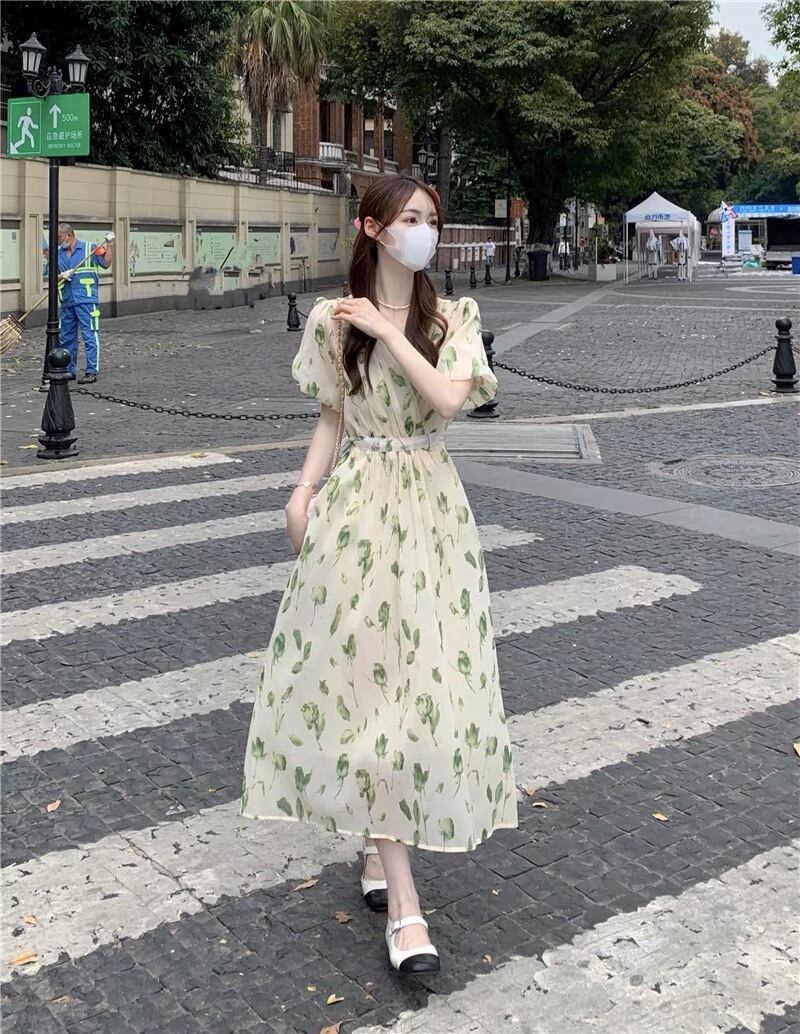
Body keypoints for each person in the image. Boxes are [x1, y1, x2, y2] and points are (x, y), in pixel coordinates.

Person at [239, 174, 518, 974]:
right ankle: (404, 905)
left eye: (431, 218)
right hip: (358, 513)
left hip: (432, 513)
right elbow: (331, 417)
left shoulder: (453, 318)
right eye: (410, 217)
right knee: (369, 690)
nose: (424, 230)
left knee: (423, 688)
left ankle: (377, 843)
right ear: (371, 227)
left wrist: (390, 332)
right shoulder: (332, 322)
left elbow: (448, 400)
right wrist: (301, 492)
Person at [57, 222, 115, 383]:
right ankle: (69, 371)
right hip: (67, 301)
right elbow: (51, 278)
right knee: (66, 338)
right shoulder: (58, 254)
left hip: (87, 301)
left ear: (68, 235)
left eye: (59, 237)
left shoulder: (91, 248)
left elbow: (106, 263)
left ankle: (91, 371)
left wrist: (110, 245)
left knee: (90, 336)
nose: (57, 241)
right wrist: (62, 275)